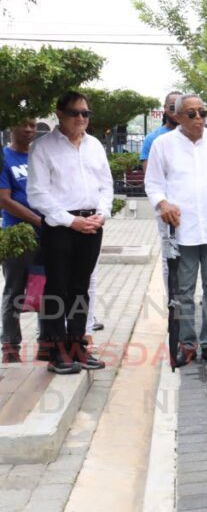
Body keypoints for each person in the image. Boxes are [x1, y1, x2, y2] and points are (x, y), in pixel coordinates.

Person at [145, 94, 207, 367]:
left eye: (203, 112)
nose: (199, 118)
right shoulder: (163, 144)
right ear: (176, 116)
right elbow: (153, 184)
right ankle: (187, 343)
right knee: (183, 290)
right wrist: (162, 203)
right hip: (182, 230)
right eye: (191, 114)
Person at [28, 92, 113, 374]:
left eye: (85, 113)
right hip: (61, 227)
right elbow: (37, 194)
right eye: (75, 113)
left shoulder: (95, 146)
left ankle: (78, 346)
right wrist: (70, 221)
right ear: (60, 113)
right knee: (57, 288)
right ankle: (55, 351)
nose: (81, 118)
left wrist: (101, 214)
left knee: (81, 287)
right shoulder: (43, 147)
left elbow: (106, 185)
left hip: (92, 225)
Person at [0, 118, 43, 363]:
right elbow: (4, 200)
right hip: (17, 235)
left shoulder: (39, 156)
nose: (28, 129)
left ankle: (46, 341)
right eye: (23, 124)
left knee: (45, 289)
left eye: (32, 125)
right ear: (10, 127)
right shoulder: (4, 158)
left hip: (46, 235)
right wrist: (37, 220)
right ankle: (10, 345)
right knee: (14, 290)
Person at [140, 91, 181, 173]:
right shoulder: (152, 138)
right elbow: (150, 175)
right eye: (173, 107)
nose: (176, 112)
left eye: (180, 107)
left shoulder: (193, 136)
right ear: (165, 107)